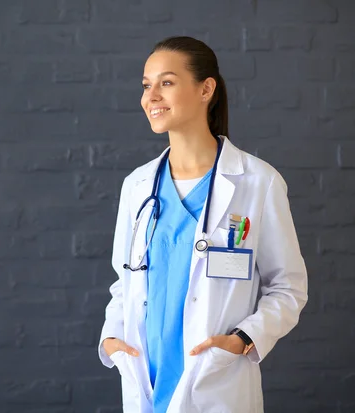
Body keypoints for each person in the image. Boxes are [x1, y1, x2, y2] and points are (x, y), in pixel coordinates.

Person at [97, 36, 308, 413]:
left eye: (166, 82)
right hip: (147, 379)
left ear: (205, 89)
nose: (151, 97)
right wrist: (113, 337)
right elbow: (123, 281)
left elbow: (288, 287)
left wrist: (244, 339)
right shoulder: (138, 186)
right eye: (146, 85)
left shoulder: (257, 182)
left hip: (215, 384)